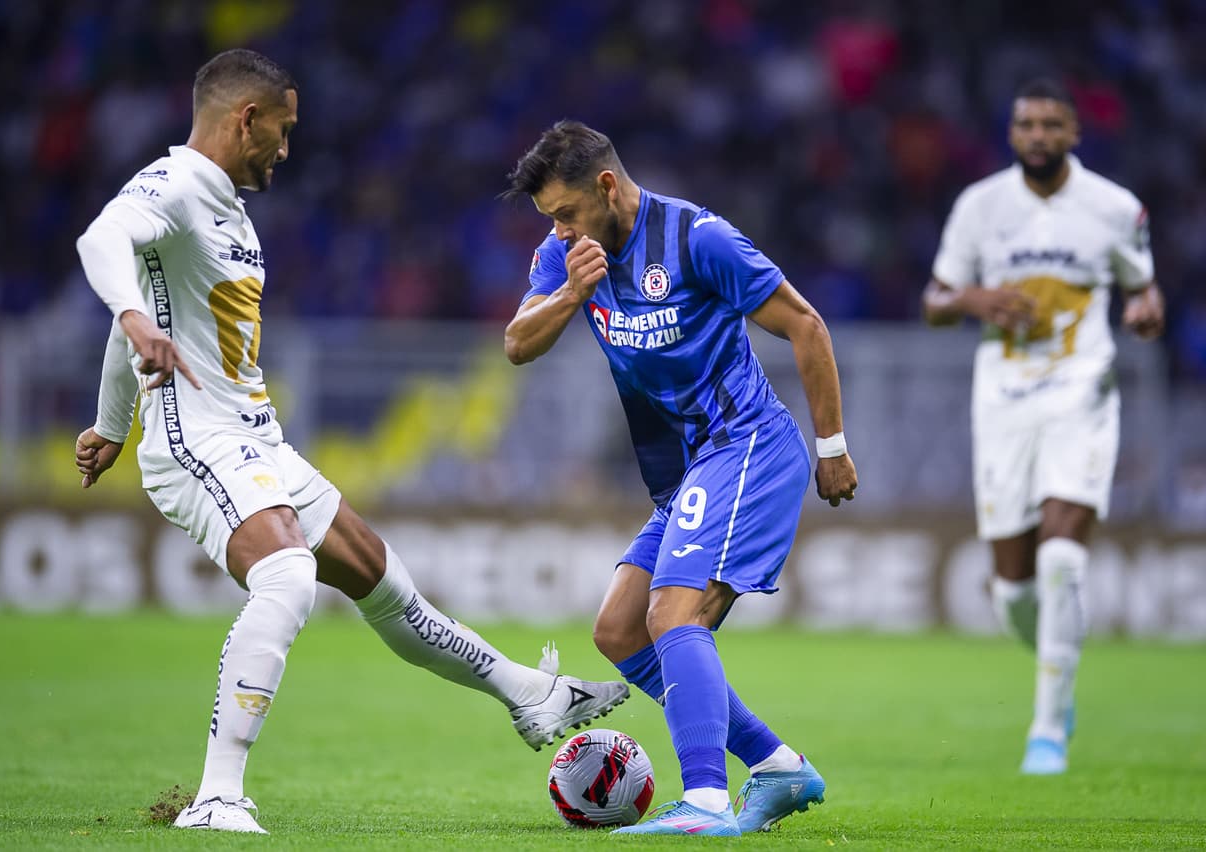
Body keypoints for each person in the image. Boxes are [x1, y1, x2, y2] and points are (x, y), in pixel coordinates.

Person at [72, 50, 627, 835]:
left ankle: (529, 695)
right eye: (284, 129)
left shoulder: (229, 211)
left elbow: (144, 308)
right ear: (247, 120)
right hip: (196, 441)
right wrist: (131, 336)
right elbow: (104, 242)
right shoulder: (177, 184)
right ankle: (218, 797)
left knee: (382, 579)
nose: (286, 148)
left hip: (256, 438)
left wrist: (107, 421)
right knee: (287, 576)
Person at [501, 120, 858, 836]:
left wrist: (833, 447)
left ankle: (705, 802)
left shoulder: (699, 240)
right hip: (692, 468)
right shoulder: (566, 254)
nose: (560, 230)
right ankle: (778, 766)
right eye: (550, 220)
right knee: (619, 630)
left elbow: (806, 325)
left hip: (748, 446)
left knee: (673, 614)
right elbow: (516, 343)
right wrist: (570, 293)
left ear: (607, 186)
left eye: (567, 212)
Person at [923, 78, 1165, 775]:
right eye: (1027, 124)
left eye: (1051, 125)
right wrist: (975, 299)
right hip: (1003, 400)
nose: (1038, 136)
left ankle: (1047, 728)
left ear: (1074, 134)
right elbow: (936, 300)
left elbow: (1142, 286)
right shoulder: (981, 206)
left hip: (1081, 391)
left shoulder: (1114, 207)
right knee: (1014, 594)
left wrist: (1146, 310)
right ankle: (1059, 670)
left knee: (1062, 560)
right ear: (1012, 133)